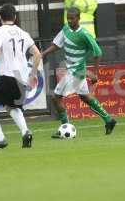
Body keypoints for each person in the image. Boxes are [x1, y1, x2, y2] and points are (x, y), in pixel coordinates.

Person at [42, 7, 116, 136]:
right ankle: (108, 120)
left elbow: (98, 53)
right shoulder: (65, 29)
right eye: (68, 18)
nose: (70, 21)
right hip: (75, 70)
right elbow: (57, 45)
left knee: (56, 97)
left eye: (72, 19)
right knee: (85, 97)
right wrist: (44, 53)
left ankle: (64, 128)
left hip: (75, 71)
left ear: (79, 19)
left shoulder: (84, 35)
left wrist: (95, 73)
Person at [0, 4, 41, 151]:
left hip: (7, 76)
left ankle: (0, 138)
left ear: (0, 17)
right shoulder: (23, 33)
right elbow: (37, 54)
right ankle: (25, 132)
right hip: (21, 78)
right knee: (11, 106)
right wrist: (33, 74)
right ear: (15, 17)